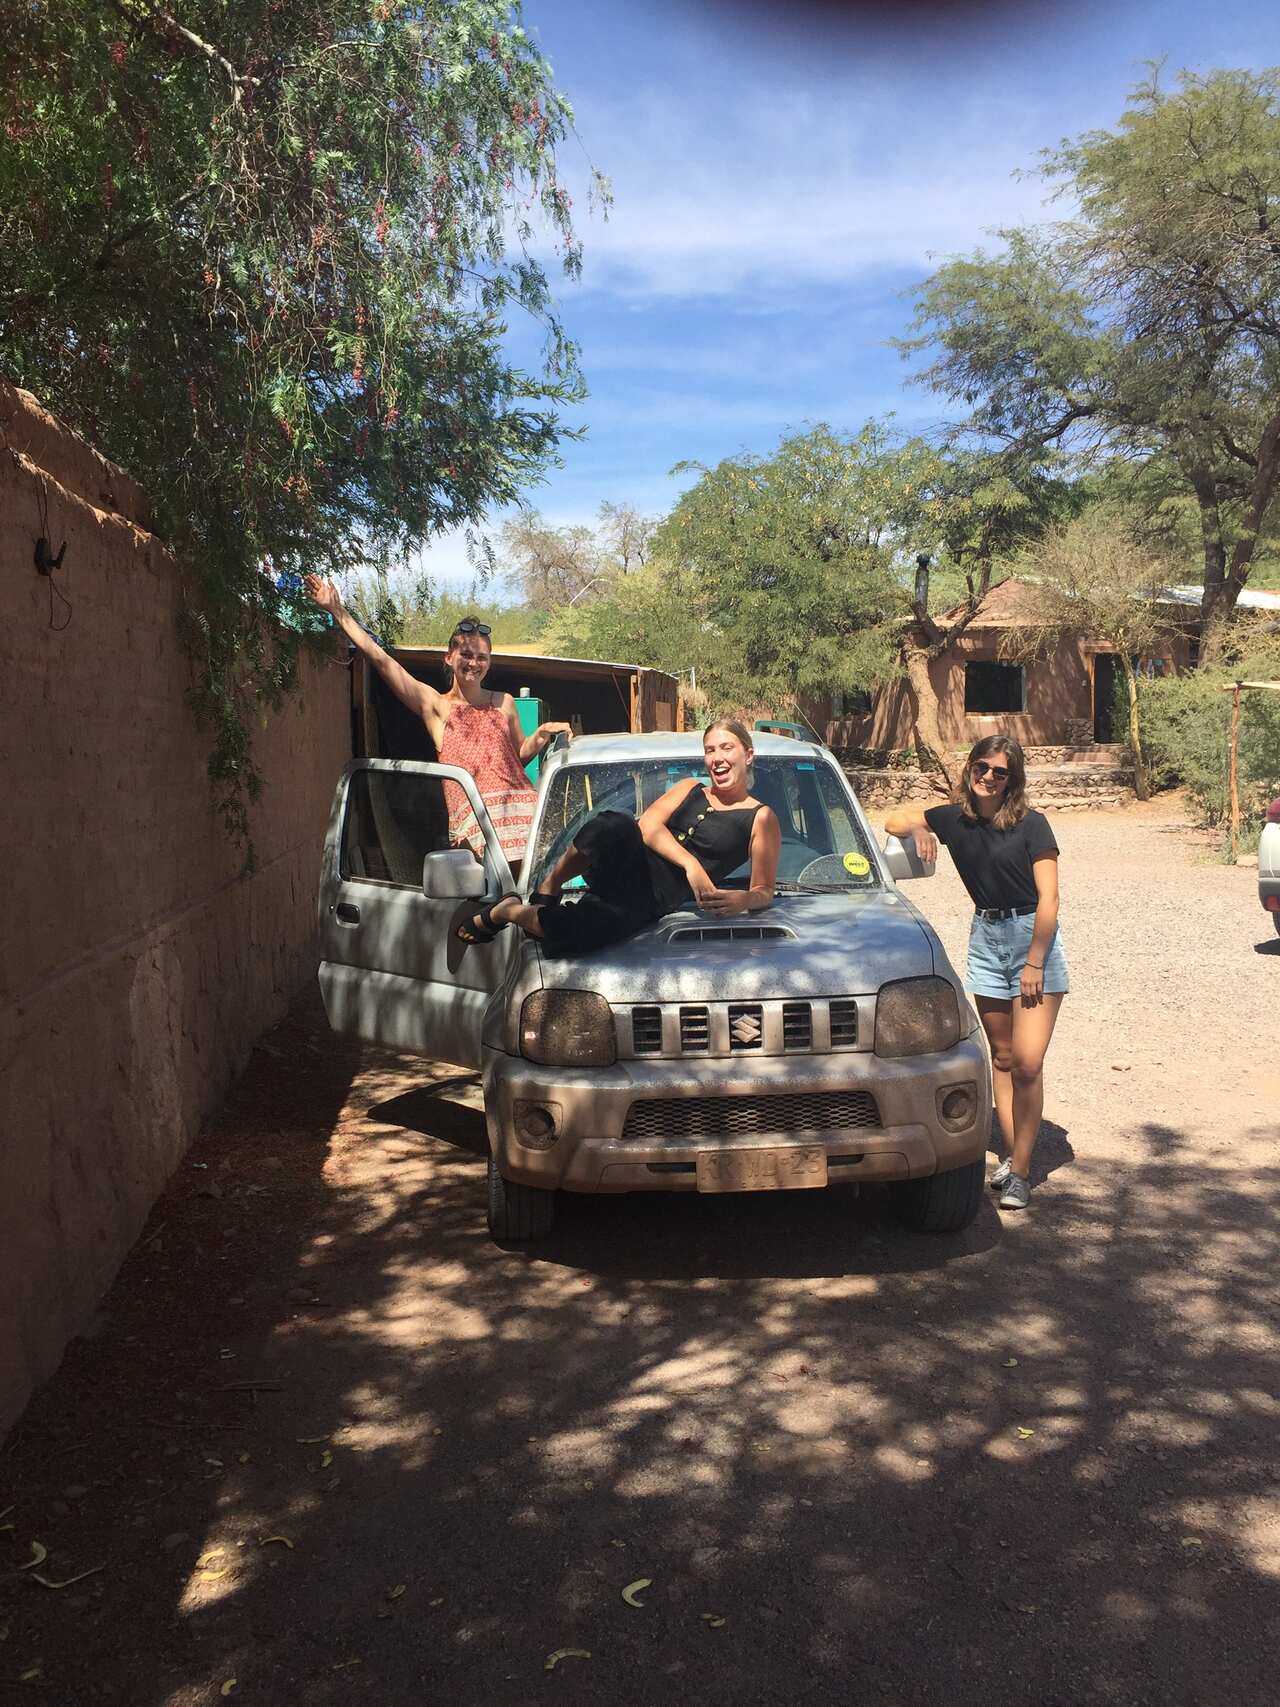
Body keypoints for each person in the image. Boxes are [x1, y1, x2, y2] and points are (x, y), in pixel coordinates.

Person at [884, 735, 1068, 1212]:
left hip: (1032, 938)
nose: (988, 776)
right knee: (1002, 1058)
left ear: (1014, 780)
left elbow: (1049, 899)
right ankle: (1015, 1159)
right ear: (970, 768)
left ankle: (1022, 1171)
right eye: (981, 767)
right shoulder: (954, 818)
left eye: (1000, 771)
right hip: (986, 939)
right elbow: (891, 819)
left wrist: (1034, 961)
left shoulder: (1033, 826)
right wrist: (919, 830)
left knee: (1028, 1061)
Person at [304, 577, 571, 865]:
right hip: (479, 830)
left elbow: (519, 756)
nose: (474, 663)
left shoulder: (503, 702)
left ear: (490, 662)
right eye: (466, 655)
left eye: (482, 657)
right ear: (449, 658)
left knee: (540, 895)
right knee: (501, 901)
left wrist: (541, 734)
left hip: (524, 814)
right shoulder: (437, 707)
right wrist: (336, 610)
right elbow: (382, 661)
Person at [457, 718, 781, 954]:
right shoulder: (689, 788)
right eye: (710, 750)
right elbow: (648, 827)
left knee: (577, 933)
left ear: (747, 755)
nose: (717, 758)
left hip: (651, 898)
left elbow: (764, 890)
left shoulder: (761, 818)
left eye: (727, 748)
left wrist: (742, 900)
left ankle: (506, 911)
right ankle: (550, 884)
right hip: (629, 858)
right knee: (616, 825)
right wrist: (691, 866)